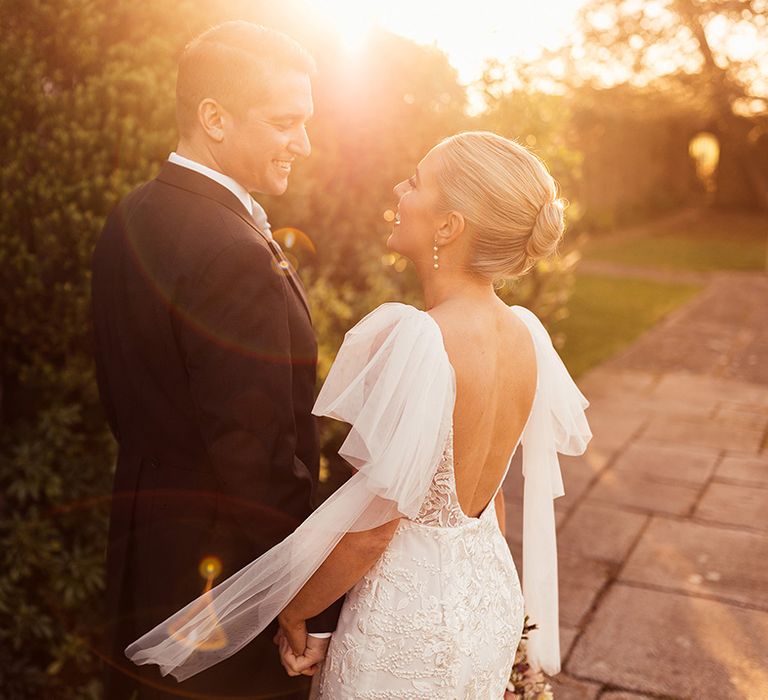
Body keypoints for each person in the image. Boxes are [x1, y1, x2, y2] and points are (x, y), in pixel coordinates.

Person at [125, 131, 592, 698]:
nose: (398, 189)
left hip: (409, 616)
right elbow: (489, 495)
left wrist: (298, 611)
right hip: (486, 596)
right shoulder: (526, 334)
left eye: (415, 182)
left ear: (449, 226)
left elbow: (374, 529)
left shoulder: (424, 339)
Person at [91, 21, 341, 700]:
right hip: (222, 585)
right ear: (214, 118)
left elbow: (126, 397)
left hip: (144, 549)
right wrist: (303, 606)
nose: (305, 143)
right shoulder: (234, 251)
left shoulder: (131, 214)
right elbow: (257, 459)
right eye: (286, 121)